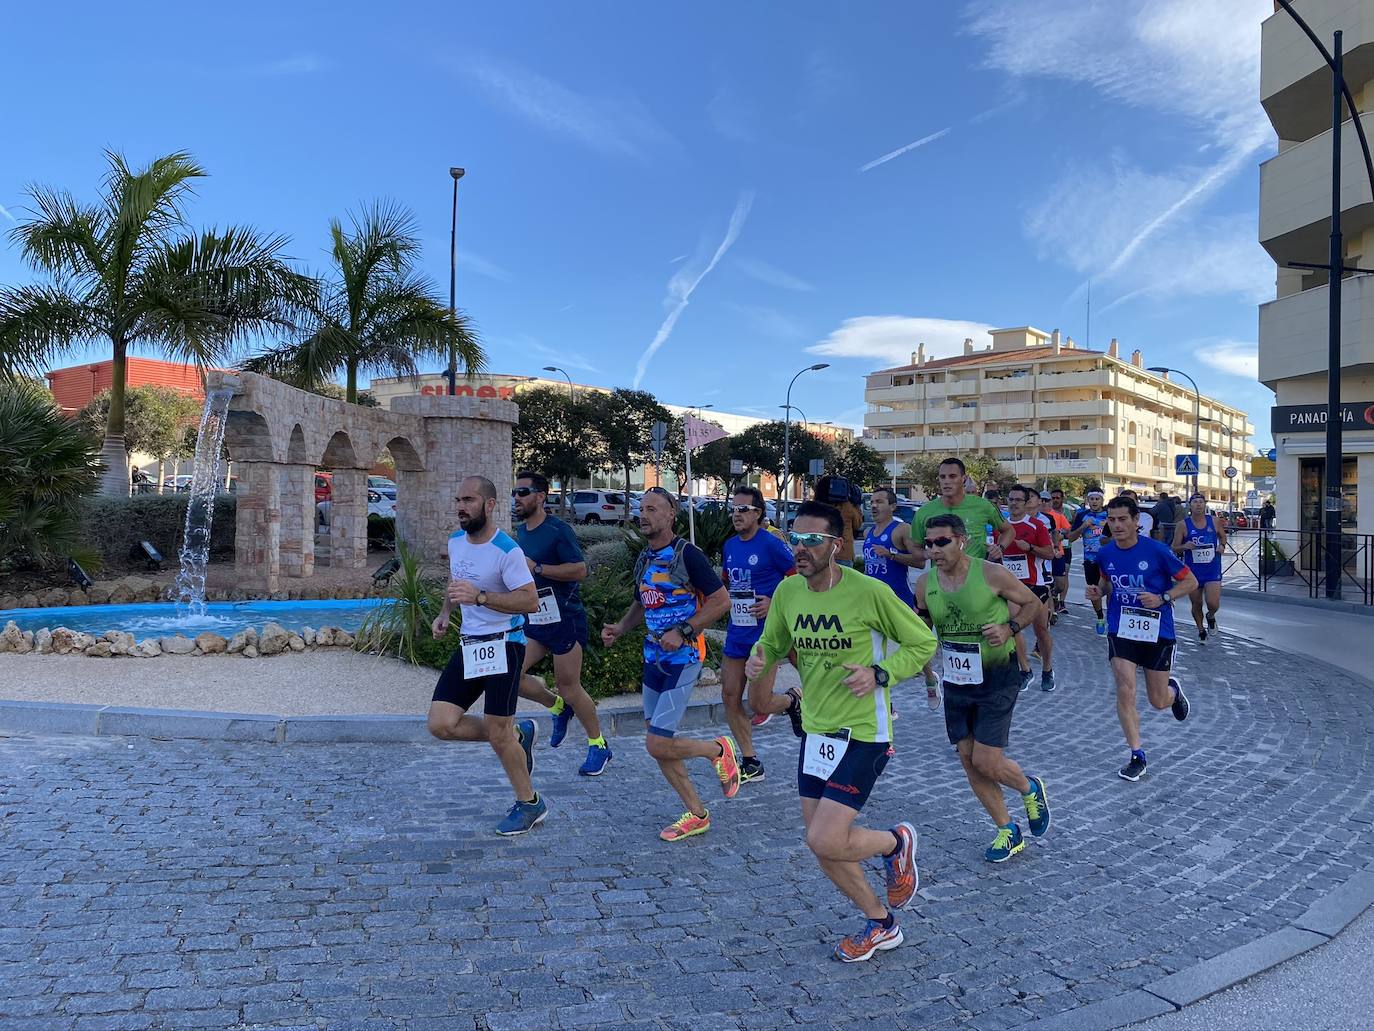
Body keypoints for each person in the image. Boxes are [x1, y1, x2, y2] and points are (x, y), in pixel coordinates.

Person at [745, 500, 937, 962]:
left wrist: (881, 673)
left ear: (837, 545)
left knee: (825, 839)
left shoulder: (868, 592)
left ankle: (896, 842)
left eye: (813, 539)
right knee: (824, 846)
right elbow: (772, 641)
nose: (802, 547)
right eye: (796, 537)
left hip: (865, 730)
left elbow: (923, 640)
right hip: (817, 732)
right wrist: (759, 657)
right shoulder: (789, 592)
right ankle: (881, 924)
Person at [601, 487, 738, 841]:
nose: (643, 515)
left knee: (657, 743)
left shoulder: (687, 555)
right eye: (641, 508)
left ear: (671, 514)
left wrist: (684, 629)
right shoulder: (645, 558)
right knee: (659, 741)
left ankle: (717, 750)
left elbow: (722, 601)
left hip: (685, 656)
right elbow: (641, 604)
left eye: (652, 509)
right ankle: (697, 814)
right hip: (653, 658)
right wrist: (620, 627)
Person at [915, 513, 1052, 864]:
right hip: (956, 679)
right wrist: (917, 656)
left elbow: (1033, 603)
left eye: (942, 542)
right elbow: (922, 625)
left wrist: (1010, 628)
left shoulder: (990, 573)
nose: (934, 550)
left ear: (961, 540)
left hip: (996, 676)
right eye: (929, 543)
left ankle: (1028, 788)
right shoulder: (924, 584)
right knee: (967, 758)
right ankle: (1008, 829)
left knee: (986, 759)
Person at [427, 475, 546, 836]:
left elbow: (530, 601)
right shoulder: (455, 542)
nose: (461, 507)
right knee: (441, 724)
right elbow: (457, 579)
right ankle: (517, 735)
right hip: (470, 643)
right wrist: (446, 612)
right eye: (458, 499)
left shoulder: (506, 550)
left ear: (490, 505)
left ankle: (530, 804)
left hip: (505, 644)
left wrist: (480, 597)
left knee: (497, 731)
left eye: (469, 500)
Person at [1085, 495, 1198, 782]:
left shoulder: (1157, 551)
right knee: (1125, 688)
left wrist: (1163, 597)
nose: (1117, 525)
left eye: (1123, 519)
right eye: (1112, 520)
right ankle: (1137, 754)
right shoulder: (1106, 553)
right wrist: (1099, 592)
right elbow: (1107, 582)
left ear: (1137, 521)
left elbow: (1190, 582)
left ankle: (1172, 691)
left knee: (1158, 701)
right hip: (1121, 628)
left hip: (1157, 630)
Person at [512, 472, 612, 777]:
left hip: (565, 618)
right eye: (514, 492)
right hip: (536, 618)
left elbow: (580, 569)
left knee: (570, 686)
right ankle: (557, 708)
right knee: (511, 674)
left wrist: (539, 567)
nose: (516, 498)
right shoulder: (521, 533)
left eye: (523, 492)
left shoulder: (558, 530)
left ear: (541, 497)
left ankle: (598, 745)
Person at [720, 485, 802, 782]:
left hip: (765, 636)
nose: (736, 515)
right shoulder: (729, 546)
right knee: (729, 697)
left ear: (758, 513)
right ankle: (751, 760)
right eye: (734, 509)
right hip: (736, 633)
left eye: (743, 509)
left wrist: (774, 601)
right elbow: (727, 582)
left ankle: (793, 700)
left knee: (759, 704)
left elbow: (799, 580)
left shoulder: (771, 544)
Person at [863, 487, 941, 709]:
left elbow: (919, 561)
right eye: (872, 502)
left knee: (914, 642)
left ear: (892, 506)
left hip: (899, 599)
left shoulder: (901, 529)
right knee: (871, 649)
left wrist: (891, 555)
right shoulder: (870, 532)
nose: (874, 506)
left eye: (879, 501)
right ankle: (886, 704)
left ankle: (929, 677)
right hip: (874, 602)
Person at [1003, 486, 1057, 693]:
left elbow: (1050, 554)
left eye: (1018, 500)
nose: (1014, 503)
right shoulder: (1001, 526)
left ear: (1026, 503)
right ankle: (1025, 670)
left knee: (1041, 630)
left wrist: (1031, 548)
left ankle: (1047, 669)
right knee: (1013, 626)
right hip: (1011, 585)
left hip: (1036, 585)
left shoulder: (1036, 526)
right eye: (1011, 499)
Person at [911, 458, 1015, 563]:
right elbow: (915, 548)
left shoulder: (984, 506)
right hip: (941, 576)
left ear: (963, 479)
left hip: (976, 575)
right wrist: (927, 553)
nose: (947, 481)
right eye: (942, 477)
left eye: (952, 476)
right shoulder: (924, 512)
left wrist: (999, 548)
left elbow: (1009, 531)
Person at [1172, 493, 1227, 643]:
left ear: (1205, 504)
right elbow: (1174, 547)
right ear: (1190, 505)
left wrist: (1222, 546)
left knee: (1213, 603)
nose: (1198, 504)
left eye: (1201, 502)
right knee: (1196, 603)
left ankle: (1210, 616)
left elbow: (1223, 536)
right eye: (1195, 502)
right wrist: (1184, 546)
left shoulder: (1214, 521)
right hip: (1193, 571)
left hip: (1212, 568)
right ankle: (1201, 630)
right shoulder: (1183, 525)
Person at [1066, 490, 1110, 634]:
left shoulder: (1109, 515)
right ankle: (1100, 616)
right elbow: (1070, 538)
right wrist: (1083, 527)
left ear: (1102, 501)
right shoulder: (1081, 515)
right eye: (1092, 499)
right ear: (1087, 500)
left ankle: (1112, 617)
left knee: (1111, 589)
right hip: (1090, 560)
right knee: (1093, 590)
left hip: (1108, 559)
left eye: (1097, 499)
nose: (1094, 501)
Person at [814, 476, 864, 566]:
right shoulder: (847, 506)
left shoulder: (816, 506)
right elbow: (857, 524)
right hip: (844, 553)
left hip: (820, 553)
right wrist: (856, 505)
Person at [1045, 490, 1073, 616]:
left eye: (1047, 500)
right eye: (1042, 500)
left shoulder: (1057, 515)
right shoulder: (1033, 516)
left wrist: (1061, 534)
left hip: (1059, 552)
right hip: (1044, 554)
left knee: (1060, 584)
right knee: (1046, 582)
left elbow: (1068, 530)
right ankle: (1049, 607)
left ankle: (1055, 596)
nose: (1044, 503)